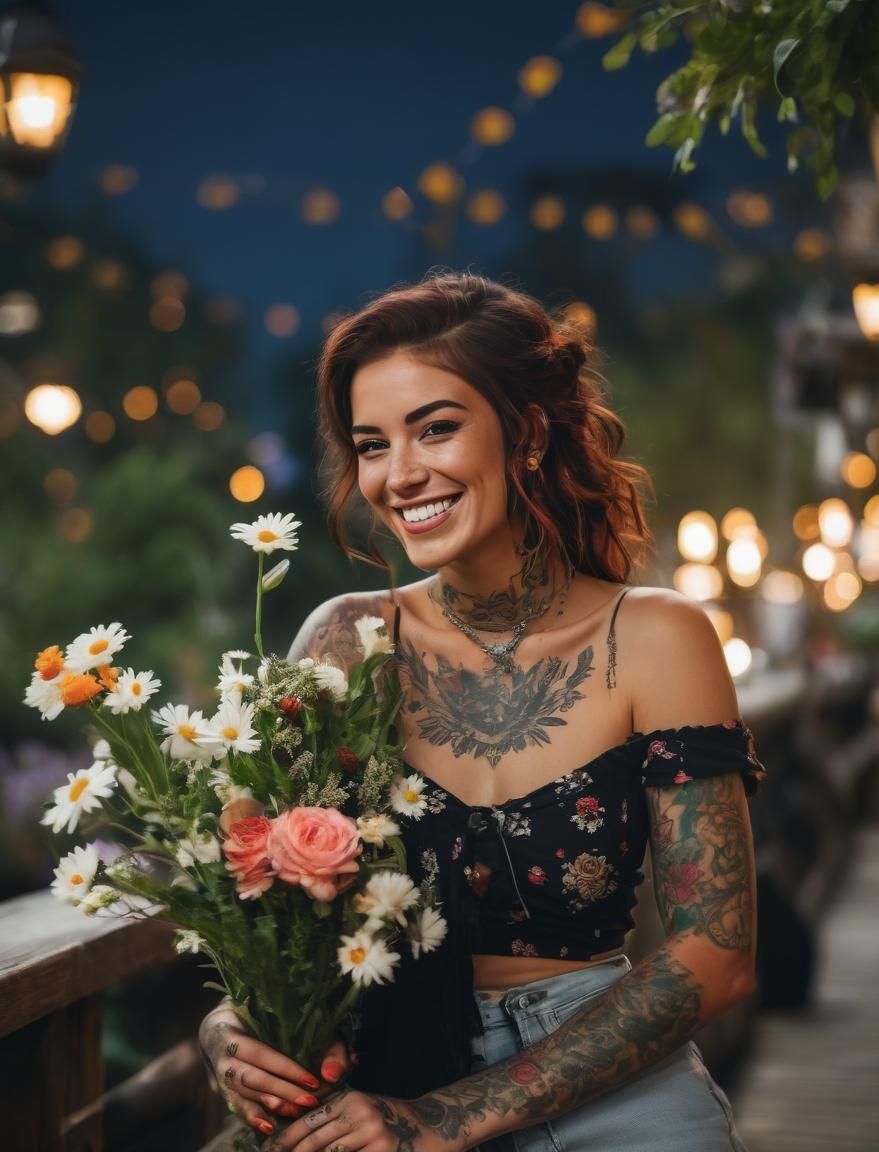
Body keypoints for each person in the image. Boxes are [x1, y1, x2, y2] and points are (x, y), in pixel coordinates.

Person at [200, 272, 765, 1151]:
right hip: (385, 1078)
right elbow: (265, 905)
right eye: (373, 444)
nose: (400, 475)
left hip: (611, 1079)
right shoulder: (347, 643)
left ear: (526, 432)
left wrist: (447, 1120)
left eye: (436, 428)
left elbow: (717, 954)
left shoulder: (656, 638)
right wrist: (227, 1031)